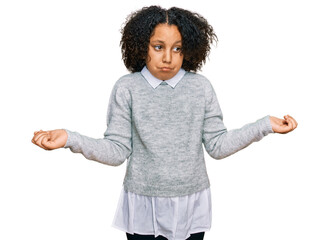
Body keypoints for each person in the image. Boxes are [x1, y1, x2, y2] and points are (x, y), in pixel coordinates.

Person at [31, 6, 298, 240]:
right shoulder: (127, 88)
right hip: (142, 206)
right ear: (141, 46)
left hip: (191, 204)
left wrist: (265, 125)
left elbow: (217, 145)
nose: (168, 57)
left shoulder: (200, 88)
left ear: (189, 49)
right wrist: (70, 138)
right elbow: (116, 150)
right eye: (158, 47)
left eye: (177, 48)